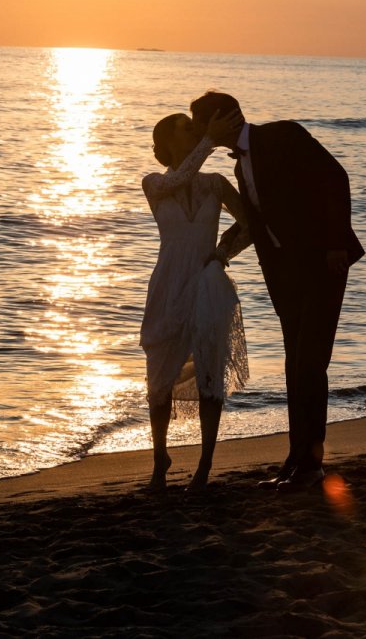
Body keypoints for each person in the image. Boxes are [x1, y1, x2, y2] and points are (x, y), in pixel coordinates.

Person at [190, 92, 365, 492]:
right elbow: (257, 223)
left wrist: (337, 242)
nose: (200, 131)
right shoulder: (240, 168)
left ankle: (311, 466)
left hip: (324, 266)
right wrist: (218, 254)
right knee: (293, 366)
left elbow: (335, 177)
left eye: (200, 122)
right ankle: (296, 458)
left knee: (309, 365)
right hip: (287, 277)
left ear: (219, 118)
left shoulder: (281, 135)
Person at [140, 109, 250, 492]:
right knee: (158, 382)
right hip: (168, 287)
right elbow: (181, 176)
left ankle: (204, 466)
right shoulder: (153, 183)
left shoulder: (216, 184)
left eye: (196, 128)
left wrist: (222, 254)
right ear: (166, 144)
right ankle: (160, 459)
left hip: (207, 287)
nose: (196, 131)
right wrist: (209, 141)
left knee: (208, 378)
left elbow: (252, 221)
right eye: (187, 129)